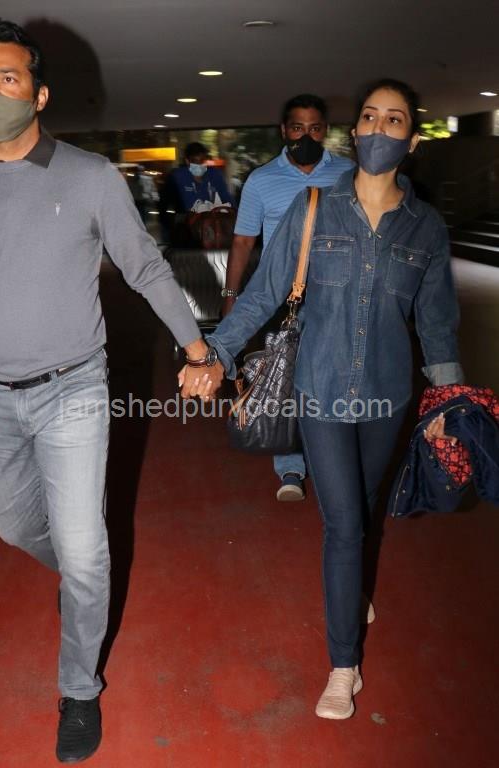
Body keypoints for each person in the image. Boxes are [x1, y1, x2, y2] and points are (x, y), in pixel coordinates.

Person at [0, 17, 212, 764]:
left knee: (84, 551)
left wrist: (197, 345)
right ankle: (82, 580)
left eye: (8, 78)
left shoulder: (88, 177)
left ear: (39, 94)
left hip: (74, 387)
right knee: (17, 529)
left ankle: (79, 689)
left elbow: (144, 266)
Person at [183, 78, 463, 719]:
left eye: (394, 120)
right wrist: (216, 352)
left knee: (362, 508)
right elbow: (262, 292)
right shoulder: (314, 208)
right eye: (369, 117)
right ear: (354, 131)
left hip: (387, 395)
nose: (378, 129)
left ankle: (352, 586)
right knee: (342, 525)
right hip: (321, 389)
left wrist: (448, 402)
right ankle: (344, 666)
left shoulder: (425, 228)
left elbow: (438, 324)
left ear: (412, 141)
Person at [221, 95, 354, 503]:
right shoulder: (262, 180)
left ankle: (333, 459)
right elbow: (243, 242)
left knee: (334, 377)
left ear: (325, 131)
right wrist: (231, 297)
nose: (306, 137)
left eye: (315, 128)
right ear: (284, 131)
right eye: (298, 128)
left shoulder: (348, 174)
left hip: (337, 293)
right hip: (282, 295)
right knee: (286, 377)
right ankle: (291, 466)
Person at [159, 141, 233, 244]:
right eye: (195, 161)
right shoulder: (177, 177)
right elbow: (163, 205)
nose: (198, 165)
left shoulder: (214, 176)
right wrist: (170, 228)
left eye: (201, 161)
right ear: (187, 161)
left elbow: (228, 199)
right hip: (185, 230)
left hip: (210, 227)